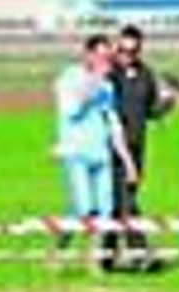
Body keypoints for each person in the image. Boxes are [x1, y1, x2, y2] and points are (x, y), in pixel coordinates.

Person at [53, 33, 137, 270]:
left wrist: (127, 161)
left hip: (101, 154)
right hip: (75, 153)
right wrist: (94, 81)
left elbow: (113, 124)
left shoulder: (107, 88)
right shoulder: (69, 78)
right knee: (82, 210)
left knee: (105, 211)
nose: (106, 63)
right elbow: (73, 110)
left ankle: (95, 262)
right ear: (88, 54)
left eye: (108, 59)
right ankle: (59, 248)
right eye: (101, 57)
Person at [109, 24, 179, 272]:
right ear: (117, 46)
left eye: (134, 50)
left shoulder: (145, 75)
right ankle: (140, 252)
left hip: (137, 147)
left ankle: (106, 258)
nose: (128, 55)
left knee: (119, 204)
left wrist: (170, 103)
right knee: (124, 201)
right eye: (123, 49)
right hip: (110, 148)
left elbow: (151, 111)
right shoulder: (109, 74)